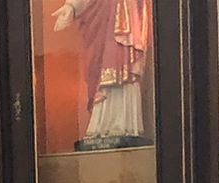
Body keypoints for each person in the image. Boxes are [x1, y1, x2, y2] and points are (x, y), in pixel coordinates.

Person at [55, 0, 153, 147]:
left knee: (122, 64)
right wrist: (71, 6)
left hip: (126, 13)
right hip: (103, 17)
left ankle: (126, 125)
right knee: (103, 63)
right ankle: (103, 125)